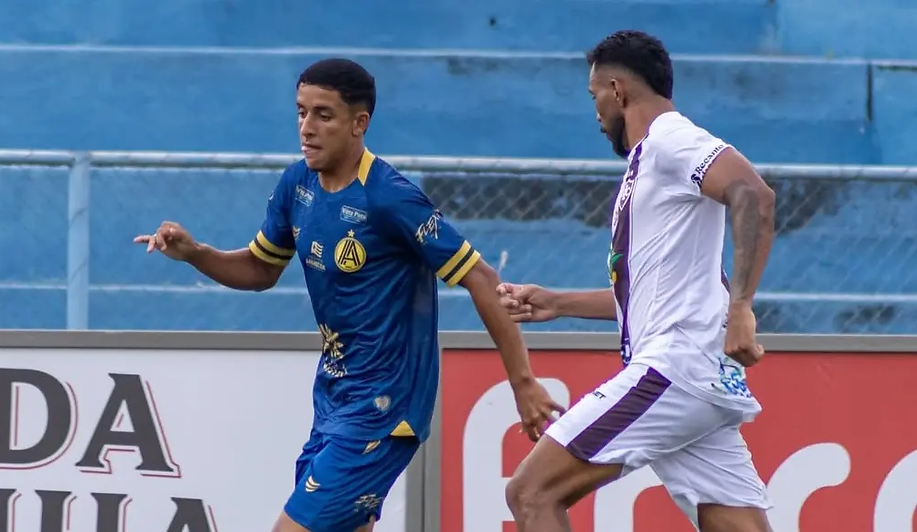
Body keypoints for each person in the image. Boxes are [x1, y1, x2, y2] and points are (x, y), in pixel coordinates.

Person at [134, 58, 563, 532]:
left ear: (359, 123)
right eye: (301, 112)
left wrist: (523, 383)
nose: (307, 127)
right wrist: (196, 253)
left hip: (384, 405)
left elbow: (481, 277)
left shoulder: (390, 197)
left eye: (324, 115)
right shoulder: (296, 185)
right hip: (334, 398)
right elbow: (260, 269)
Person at [498, 31, 777, 532]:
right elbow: (656, 291)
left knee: (531, 492)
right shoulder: (650, 164)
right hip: (702, 378)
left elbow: (753, 194)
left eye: (594, 97)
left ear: (617, 90)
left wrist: (741, 307)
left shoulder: (670, 139)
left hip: (675, 368)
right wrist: (557, 303)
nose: (596, 112)